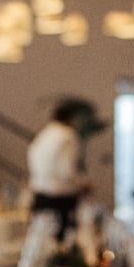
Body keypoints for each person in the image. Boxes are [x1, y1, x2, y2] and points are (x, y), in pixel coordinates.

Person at [28, 98, 98, 241]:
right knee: (62, 242)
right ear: (72, 118)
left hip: (40, 194)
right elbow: (67, 169)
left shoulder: (44, 135)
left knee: (42, 240)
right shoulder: (68, 136)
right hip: (61, 197)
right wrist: (82, 185)